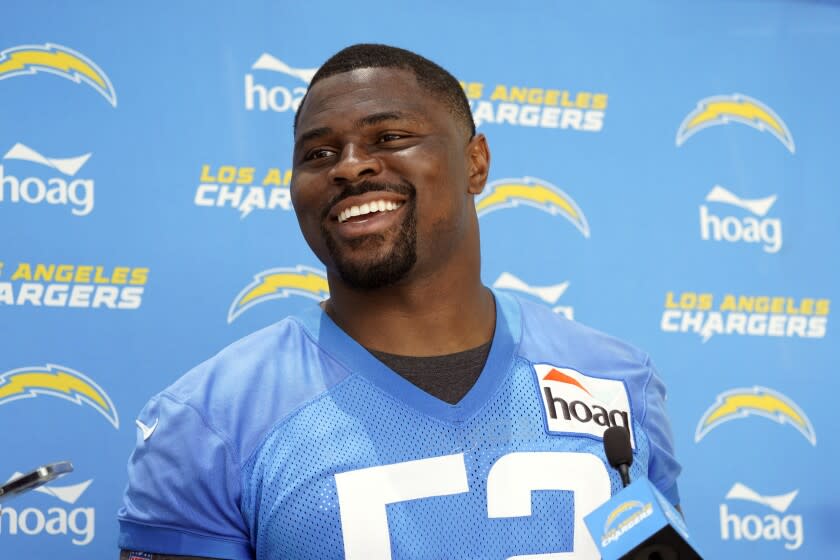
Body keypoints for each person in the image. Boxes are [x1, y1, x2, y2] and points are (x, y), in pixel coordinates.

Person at [118, 43, 681, 560]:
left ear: (476, 163)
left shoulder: (617, 378)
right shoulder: (208, 421)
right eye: (318, 153)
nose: (350, 165)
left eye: (388, 138)